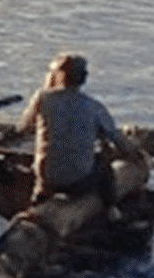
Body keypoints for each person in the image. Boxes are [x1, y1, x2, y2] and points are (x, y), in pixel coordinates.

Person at [24, 52, 133, 202]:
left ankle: (39, 194)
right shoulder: (94, 107)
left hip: (47, 179)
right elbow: (119, 141)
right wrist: (134, 150)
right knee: (102, 163)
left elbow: (24, 128)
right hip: (78, 182)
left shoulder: (42, 98)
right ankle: (112, 209)